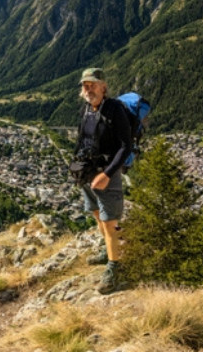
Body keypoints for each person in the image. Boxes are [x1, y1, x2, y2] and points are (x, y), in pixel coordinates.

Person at [75, 67, 133, 294]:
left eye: (92, 84)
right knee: (96, 213)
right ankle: (108, 251)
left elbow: (125, 146)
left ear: (103, 86)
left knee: (110, 222)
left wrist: (107, 174)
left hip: (106, 175)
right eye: (84, 85)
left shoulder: (114, 110)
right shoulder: (87, 109)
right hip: (88, 173)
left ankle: (115, 269)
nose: (88, 89)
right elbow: (82, 139)